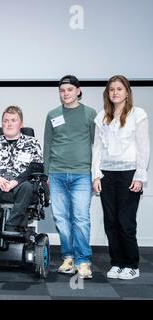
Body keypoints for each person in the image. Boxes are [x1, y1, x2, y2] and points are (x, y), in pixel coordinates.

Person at [92, 75, 150, 280]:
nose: (115, 92)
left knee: (126, 222)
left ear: (127, 92)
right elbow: (97, 149)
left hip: (129, 174)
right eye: (111, 89)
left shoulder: (138, 114)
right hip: (107, 175)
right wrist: (96, 175)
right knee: (111, 221)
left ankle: (131, 264)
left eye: (119, 89)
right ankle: (117, 263)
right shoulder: (102, 117)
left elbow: (144, 148)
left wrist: (140, 176)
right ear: (107, 93)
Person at [44, 75, 97, 279]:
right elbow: (47, 145)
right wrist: (47, 172)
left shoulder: (90, 114)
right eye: (62, 90)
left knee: (81, 218)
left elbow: (97, 146)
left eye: (69, 89)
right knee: (61, 218)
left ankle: (83, 261)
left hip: (82, 174)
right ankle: (68, 257)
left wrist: (95, 174)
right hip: (56, 174)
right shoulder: (52, 114)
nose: (65, 93)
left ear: (78, 90)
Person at [0, 106, 43, 232]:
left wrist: (16, 181)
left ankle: (12, 226)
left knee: (27, 187)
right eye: (6, 120)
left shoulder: (32, 143)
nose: (9, 124)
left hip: (21, 184)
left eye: (13, 120)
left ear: (21, 124)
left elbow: (36, 167)